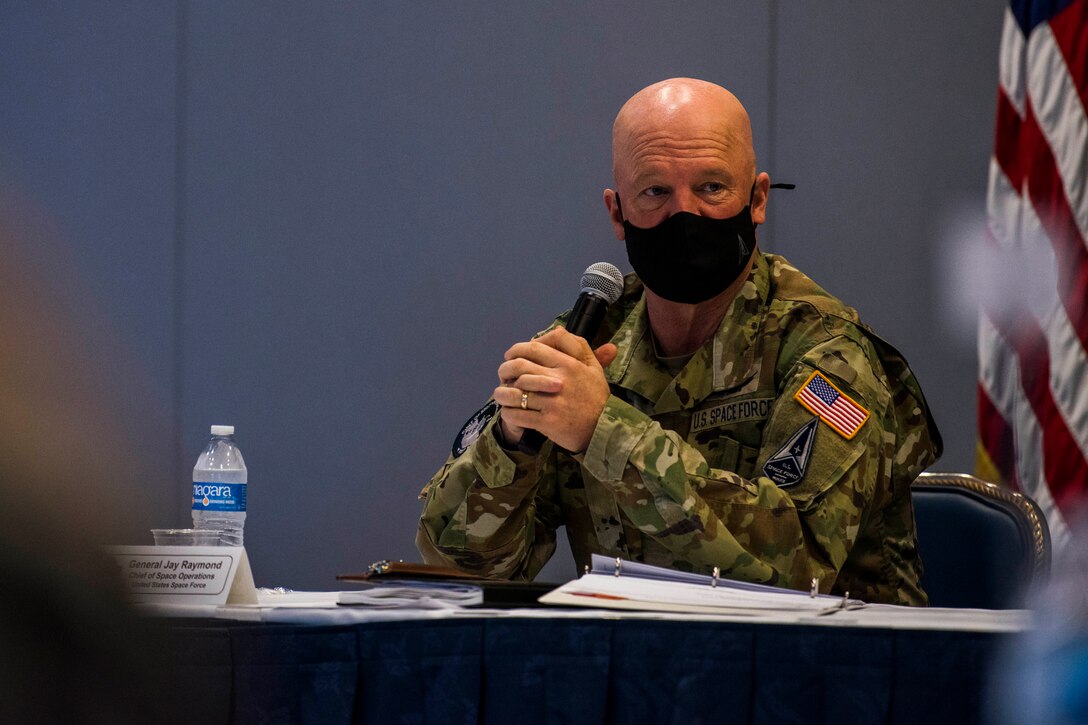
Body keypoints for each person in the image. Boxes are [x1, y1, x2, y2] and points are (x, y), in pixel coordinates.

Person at [416, 78, 941, 605]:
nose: (684, 214)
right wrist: (511, 444)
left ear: (757, 199)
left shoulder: (825, 352)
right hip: (632, 665)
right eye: (655, 191)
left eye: (712, 187)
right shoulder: (588, 344)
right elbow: (458, 566)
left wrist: (603, 429)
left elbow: (796, 569)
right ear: (618, 213)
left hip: (823, 669)